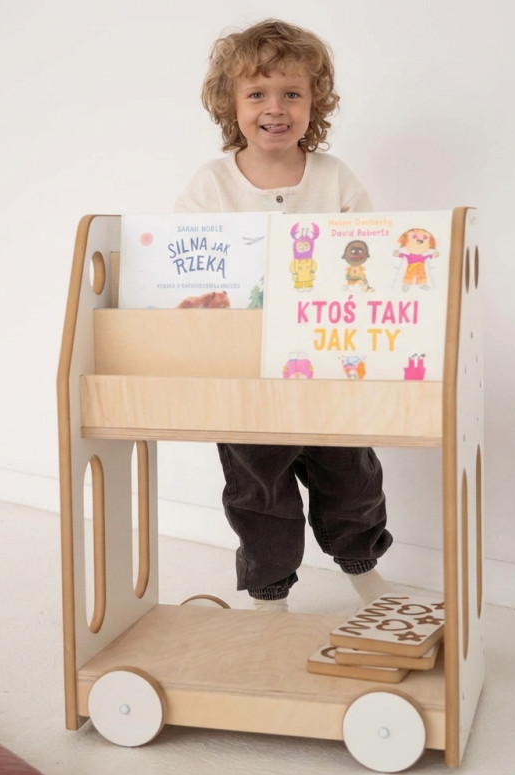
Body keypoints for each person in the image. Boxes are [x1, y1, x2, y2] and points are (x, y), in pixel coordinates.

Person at [175, 19, 393, 611]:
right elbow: (188, 268)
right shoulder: (212, 183)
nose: (276, 108)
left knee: (350, 474)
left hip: (329, 359)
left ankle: (362, 564)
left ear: (314, 100)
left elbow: (373, 254)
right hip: (244, 368)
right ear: (231, 103)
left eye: (292, 93)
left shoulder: (333, 177)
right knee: (258, 487)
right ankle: (269, 595)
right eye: (258, 94)